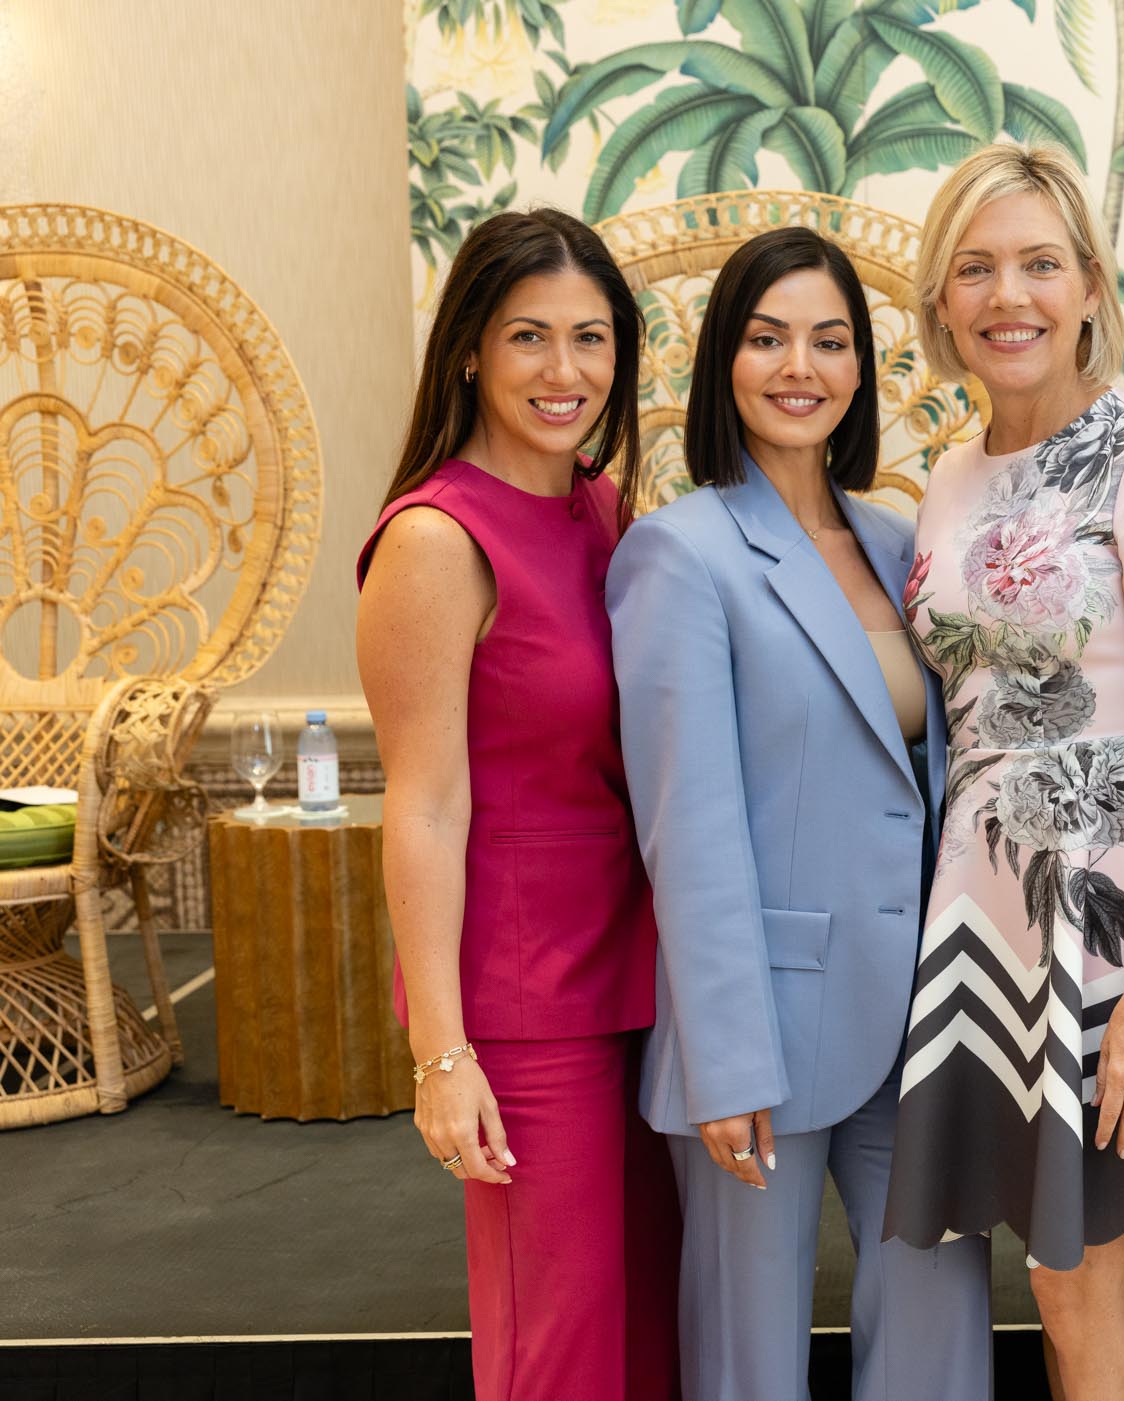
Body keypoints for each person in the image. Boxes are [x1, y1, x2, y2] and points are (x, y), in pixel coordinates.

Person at [881, 142, 1124, 1401]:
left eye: (1041, 265)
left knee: (1080, 1283)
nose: (1010, 296)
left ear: (1092, 285)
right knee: (1055, 1281)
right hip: (986, 908)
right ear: (942, 300)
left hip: (1110, 920)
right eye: (977, 268)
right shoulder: (951, 474)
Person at [606, 225, 992, 1401]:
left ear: (860, 368)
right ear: (723, 358)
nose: (799, 367)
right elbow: (689, 828)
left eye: (829, 341)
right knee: (749, 1367)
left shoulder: (899, 538)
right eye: (768, 338)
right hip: (761, 1027)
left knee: (939, 1344)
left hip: (922, 1012)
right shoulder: (679, 554)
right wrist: (724, 1062)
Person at [355, 208, 678, 1400]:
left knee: (649, 1334)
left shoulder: (604, 511)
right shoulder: (436, 539)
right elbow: (424, 807)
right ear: (469, 353)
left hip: (639, 985)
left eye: (590, 337)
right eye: (528, 336)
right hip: (527, 1006)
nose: (564, 370)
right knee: (560, 1349)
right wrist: (442, 1054)